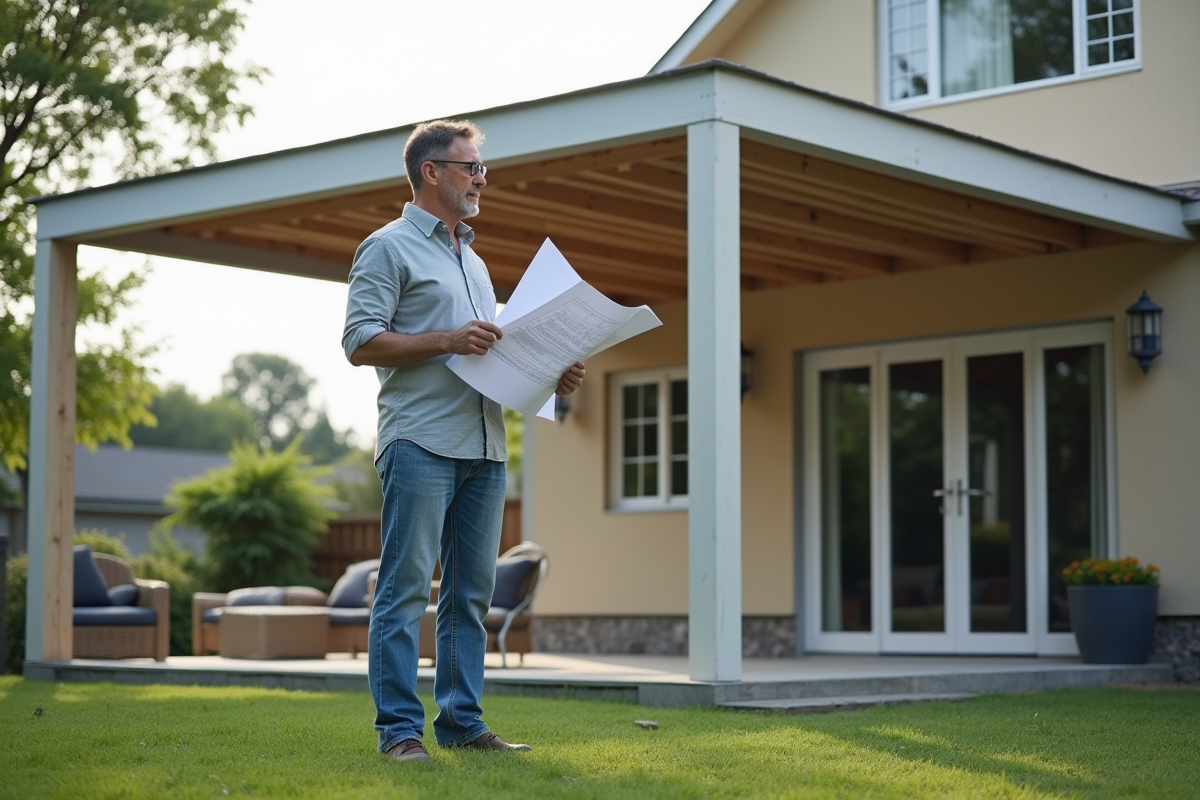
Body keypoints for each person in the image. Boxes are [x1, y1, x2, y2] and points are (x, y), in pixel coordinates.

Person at [342, 119, 584, 763]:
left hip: (486, 447)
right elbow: (360, 342)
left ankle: (462, 725)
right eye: (470, 166)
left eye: (482, 168)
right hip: (419, 441)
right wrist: (447, 340)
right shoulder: (386, 248)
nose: (481, 178)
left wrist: (554, 372)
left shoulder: (474, 260)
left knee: (469, 595)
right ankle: (398, 733)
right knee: (403, 589)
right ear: (432, 172)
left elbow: (492, 354)